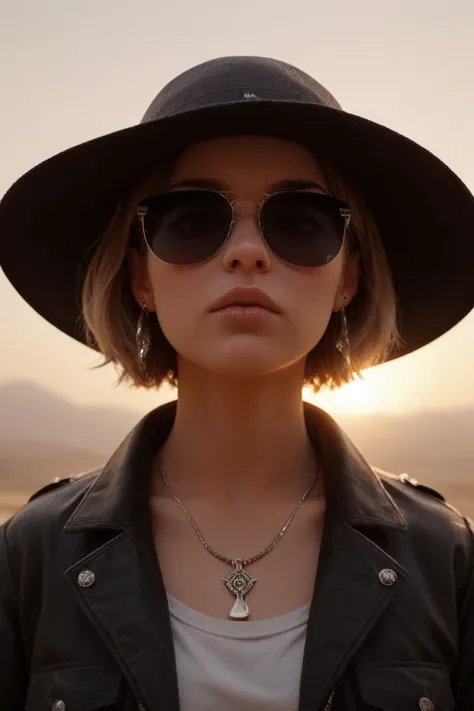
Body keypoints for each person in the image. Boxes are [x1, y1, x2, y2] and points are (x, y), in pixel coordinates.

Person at [0, 56, 473, 711]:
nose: (246, 252)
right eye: (192, 218)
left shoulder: (444, 559)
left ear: (349, 277)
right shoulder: (30, 556)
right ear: (140, 274)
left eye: (301, 221)